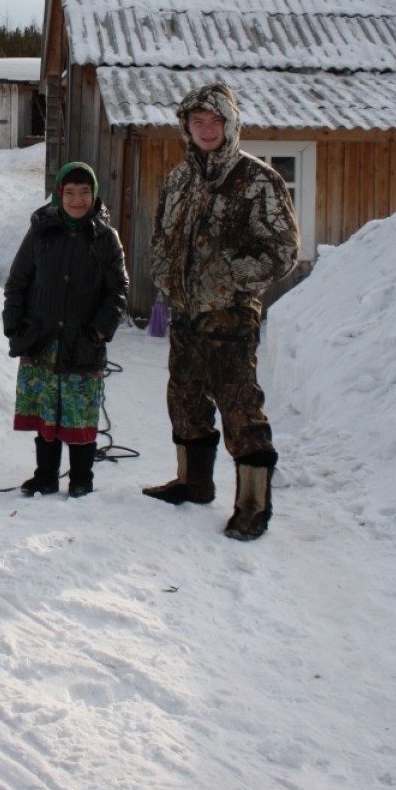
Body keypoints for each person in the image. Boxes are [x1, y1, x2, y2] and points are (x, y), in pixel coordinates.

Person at [143, 82, 299, 541]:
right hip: (185, 310)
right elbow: (162, 235)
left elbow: (283, 250)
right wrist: (165, 275)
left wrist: (230, 278)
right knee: (185, 398)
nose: (207, 129)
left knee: (238, 404)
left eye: (215, 121)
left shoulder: (257, 179)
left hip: (229, 313)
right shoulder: (180, 178)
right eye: (198, 122)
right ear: (187, 128)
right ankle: (193, 482)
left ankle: (253, 504)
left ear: (230, 124)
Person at [3, 162, 128, 498]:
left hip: (82, 341)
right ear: (59, 194)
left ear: (94, 194)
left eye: (84, 192)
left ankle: (81, 478)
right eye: (69, 192)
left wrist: (98, 332)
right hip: (42, 339)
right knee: (47, 411)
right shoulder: (41, 231)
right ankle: (45, 476)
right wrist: (14, 324)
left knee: (79, 412)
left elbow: (118, 291)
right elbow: (18, 280)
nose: (77, 199)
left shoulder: (105, 238)